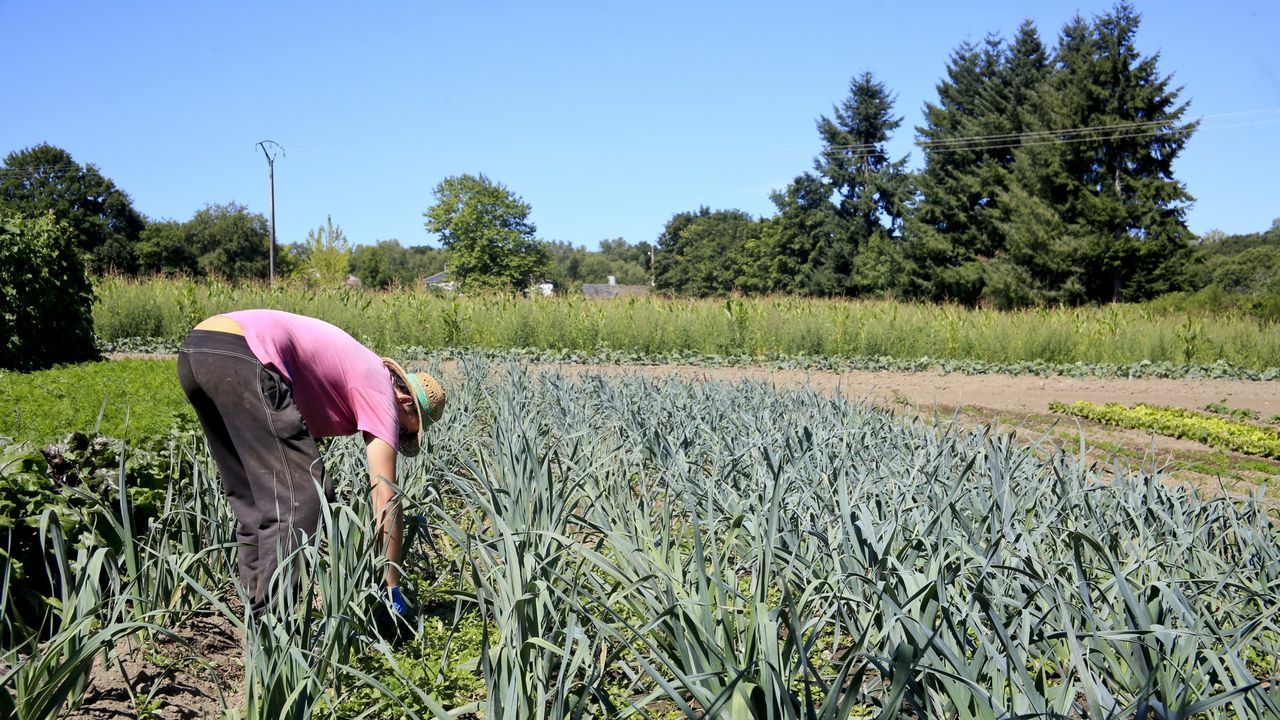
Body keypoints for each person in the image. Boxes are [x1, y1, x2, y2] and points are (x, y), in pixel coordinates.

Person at [175, 309, 445, 618]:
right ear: (407, 404)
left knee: (255, 503)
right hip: (245, 355)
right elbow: (385, 496)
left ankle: (260, 623)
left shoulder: (356, 370)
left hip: (199, 351)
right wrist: (391, 584)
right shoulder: (381, 390)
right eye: (407, 430)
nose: (398, 436)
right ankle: (279, 626)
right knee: (306, 495)